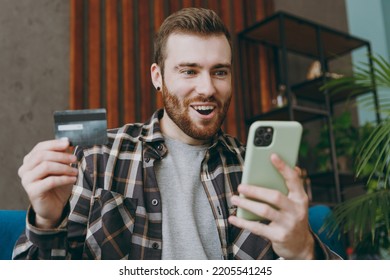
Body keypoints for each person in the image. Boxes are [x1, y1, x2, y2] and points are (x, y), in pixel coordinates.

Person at [14, 7, 340, 260]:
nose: (207, 88)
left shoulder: (257, 168)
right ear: (158, 77)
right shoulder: (99, 156)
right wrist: (46, 221)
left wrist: (304, 251)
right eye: (189, 71)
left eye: (220, 72)